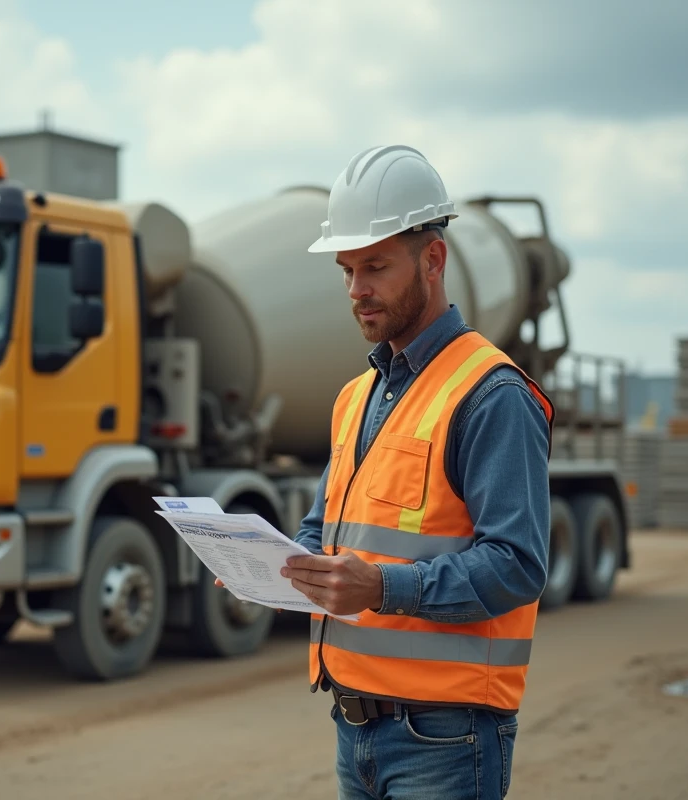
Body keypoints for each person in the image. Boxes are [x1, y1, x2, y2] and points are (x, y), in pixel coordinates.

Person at [283, 144, 554, 799]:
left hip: (447, 739)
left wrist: (380, 587)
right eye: (346, 270)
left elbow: (516, 565)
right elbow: (326, 532)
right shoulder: (357, 397)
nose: (357, 290)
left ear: (433, 260)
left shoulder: (491, 395)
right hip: (356, 730)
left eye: (375, 267)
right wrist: (268, 565)